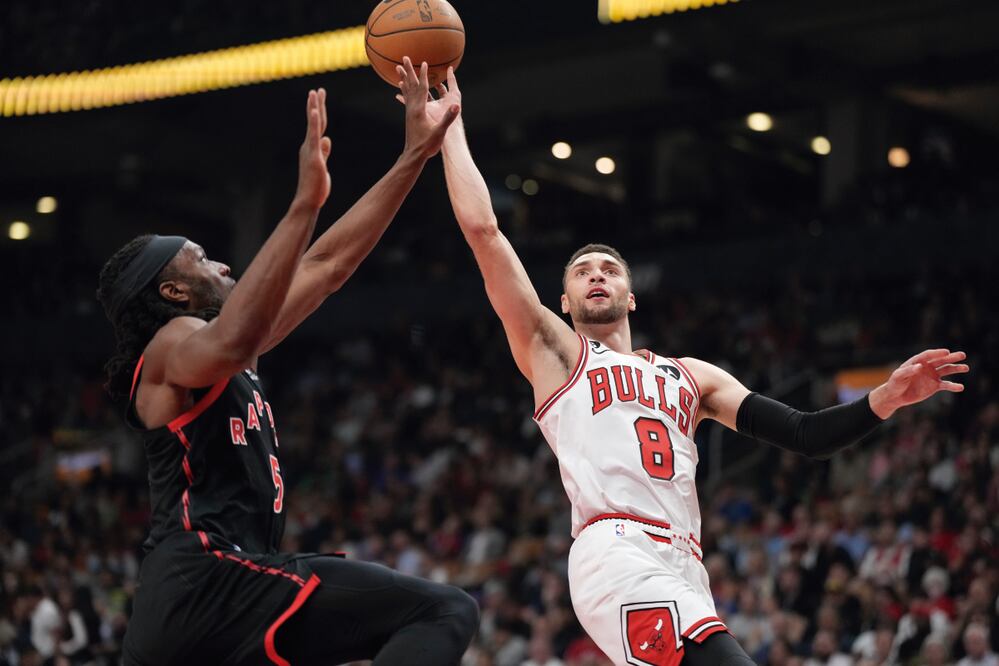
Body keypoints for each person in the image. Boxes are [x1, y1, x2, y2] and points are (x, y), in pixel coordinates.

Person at [419, 65, 970, 666]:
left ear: (631, 296)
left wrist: (884, 399)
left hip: (685, 562)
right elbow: (484, 230)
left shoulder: (693, 376)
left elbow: (805, 435)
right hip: (615, 548)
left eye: (609, 269)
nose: (596, 275)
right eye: (582, 272)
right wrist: (451, 128)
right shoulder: (556, 353)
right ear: (565, 302)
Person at [97, 63, 478, 666]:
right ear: (171, 294)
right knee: (442, 609)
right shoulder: (173, 344)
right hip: (210, 579)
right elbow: (234, 338)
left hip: (200, 609)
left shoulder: (225, 343)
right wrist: (303, 205)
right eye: (201, 261)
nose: (222, 266)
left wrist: (414, 156)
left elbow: (328, 267)